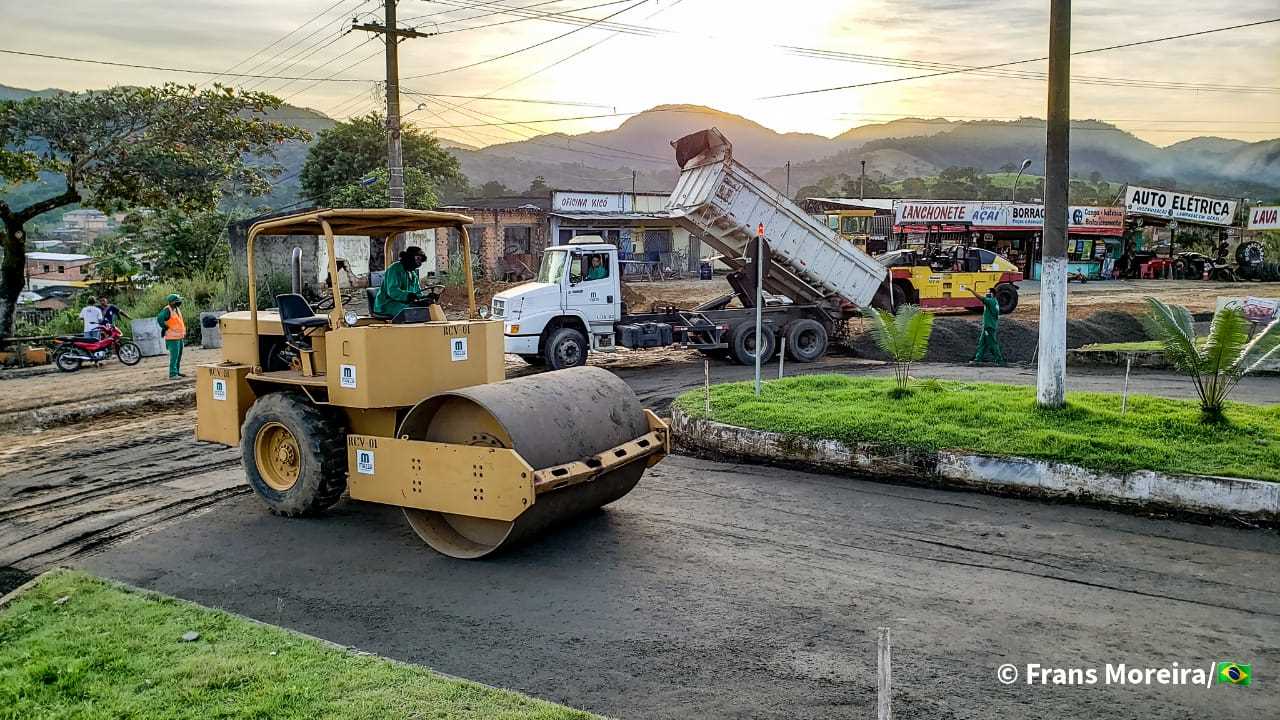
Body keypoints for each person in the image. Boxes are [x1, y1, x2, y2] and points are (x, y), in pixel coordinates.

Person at [374, 246, 426, 319]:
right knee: (412, 312)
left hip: (403, 303)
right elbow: (392, 291)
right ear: (409, 257)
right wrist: (408, 296)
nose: (419, 263)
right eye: (417, 258)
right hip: (387, 304)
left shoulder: (413, 274)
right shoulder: (394, 269)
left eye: (420, 260)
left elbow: (418, 292)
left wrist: (424, 298)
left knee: (425, 309)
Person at [965, 285, 1005, 365]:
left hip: (989, 326)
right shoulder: (994, 302)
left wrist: (971, 290)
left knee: (992, 344)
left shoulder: (991, 301)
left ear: (992, 294)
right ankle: (978, 359)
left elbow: (980, 298)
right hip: (988, 326)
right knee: (982, 343)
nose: (986, 294)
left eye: (988, 292)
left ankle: (999, 360)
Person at [156, 293, 186, 378]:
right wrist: (165, 327)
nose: (179, 302)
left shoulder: (176, 309)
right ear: (172, 302)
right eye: (177, 300)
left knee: (178, 356)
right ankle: (173, 374)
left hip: (179, 337)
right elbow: (160, 318)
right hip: (172, 338)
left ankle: (177, 371)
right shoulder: (167, 310)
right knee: (174, 356)